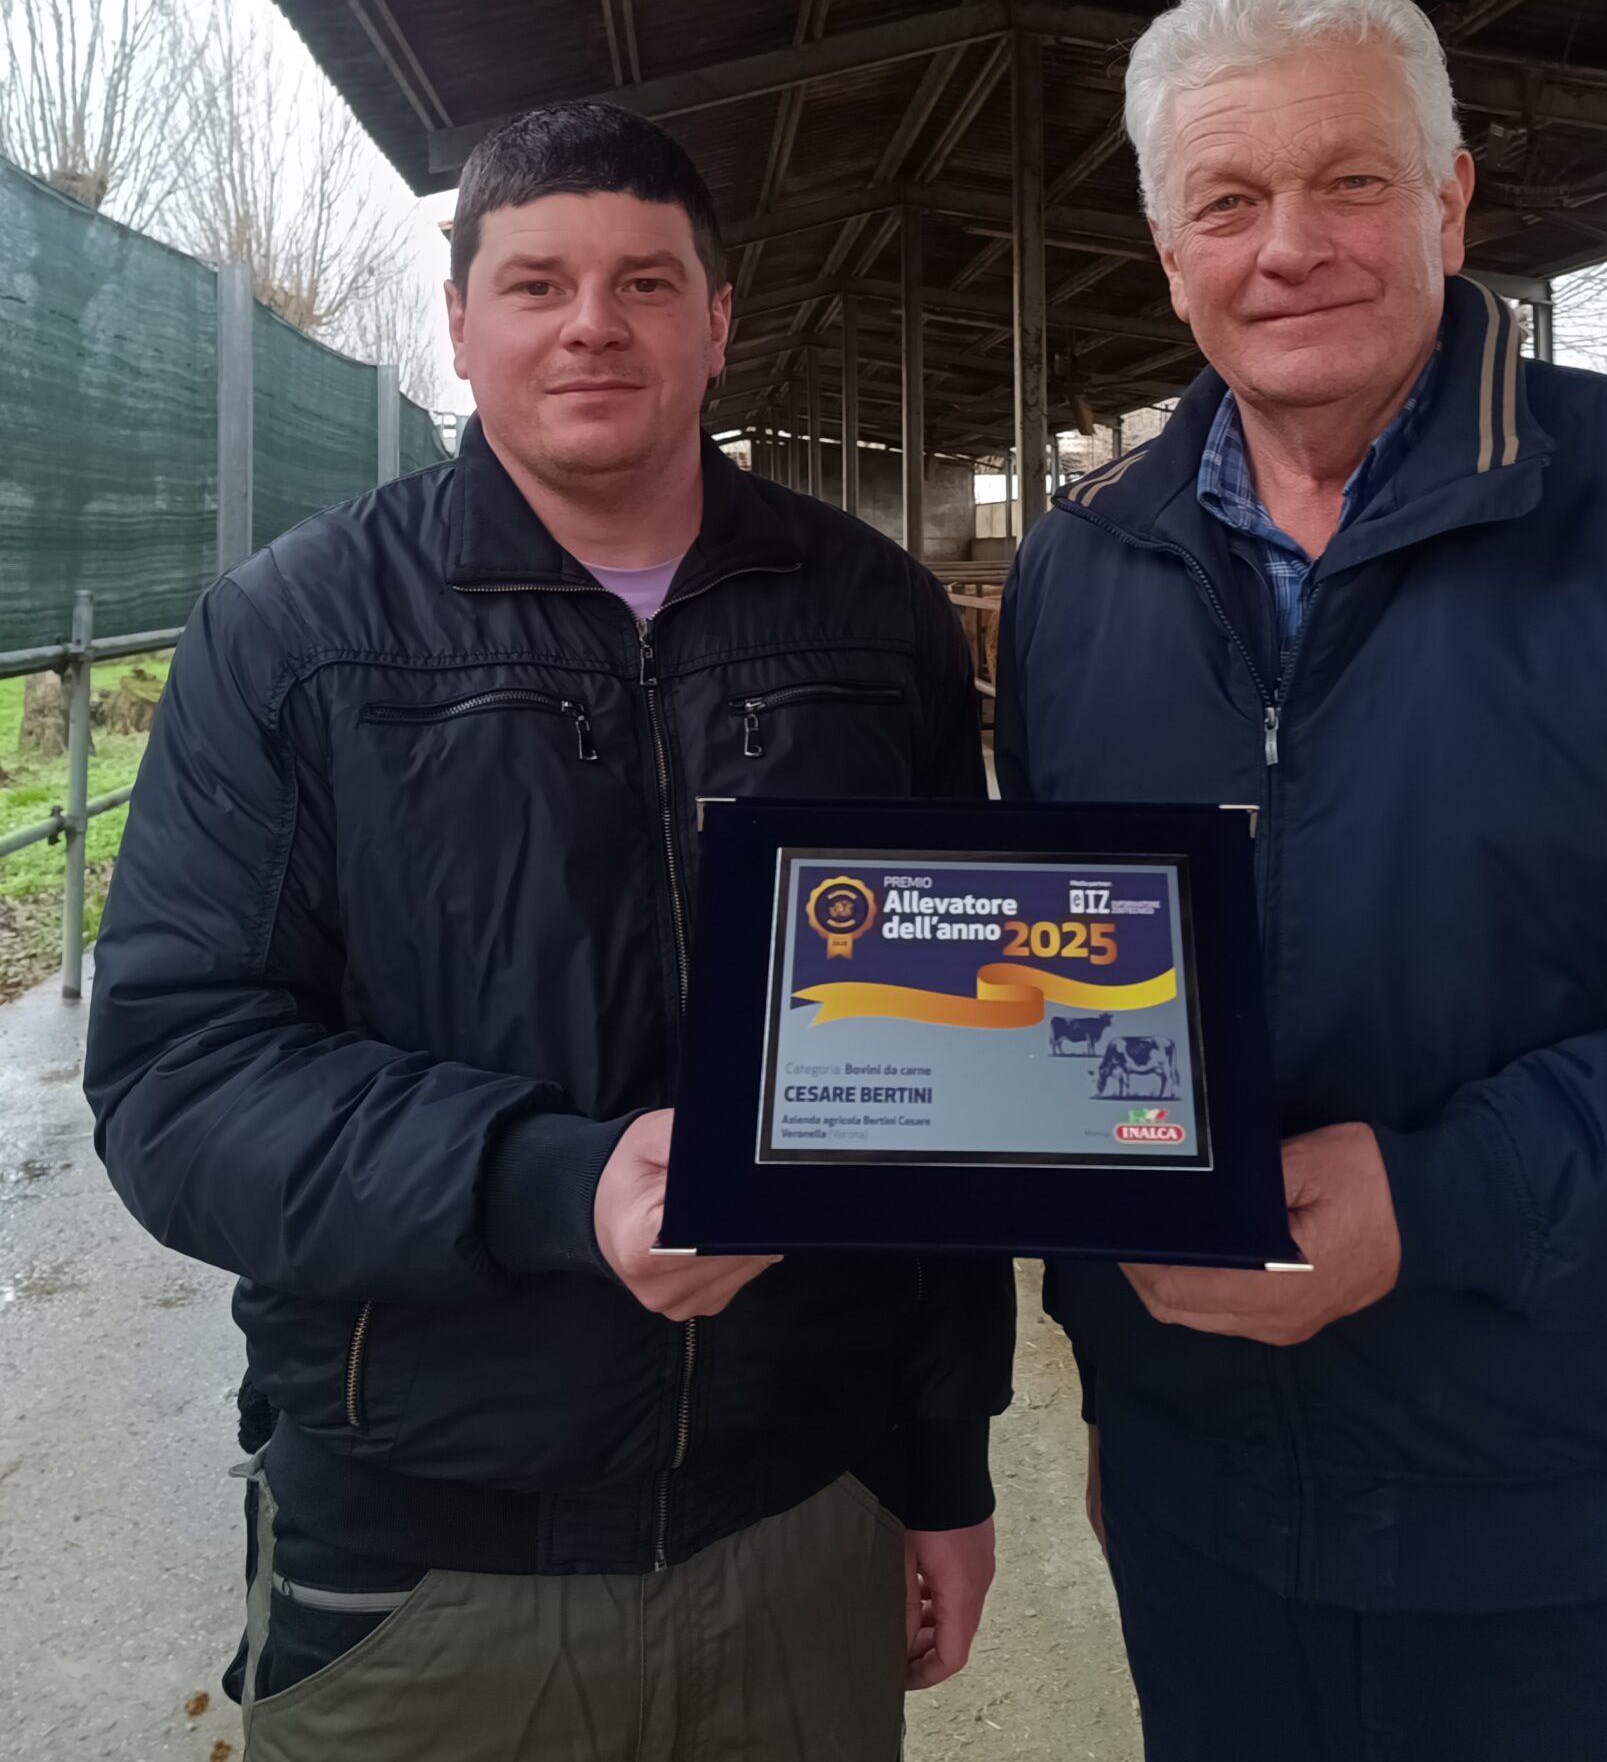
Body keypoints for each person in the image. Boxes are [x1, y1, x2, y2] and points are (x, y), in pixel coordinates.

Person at [994, 0, 1607, 1762]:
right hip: (1203, 1528)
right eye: (1228, 202)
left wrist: (1443, 1200)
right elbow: (1063, 1008)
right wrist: (1116, 1390)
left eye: (1350, 180)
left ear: (1449, 197)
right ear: (1168, 250)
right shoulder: (1080, 570)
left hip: (1577, 1545)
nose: (1290, 247)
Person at [87, 102, 1011, 1762]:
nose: (593, 324)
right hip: (426, 1560)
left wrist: (943, 1462)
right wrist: (551, 1183)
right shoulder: (294, 637)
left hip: (803, 1521)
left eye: (645, 282)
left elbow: (949, 1086)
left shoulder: (873, 625)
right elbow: (179, 1079)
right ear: (461, 324)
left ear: (718, 323)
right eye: (537, 283)